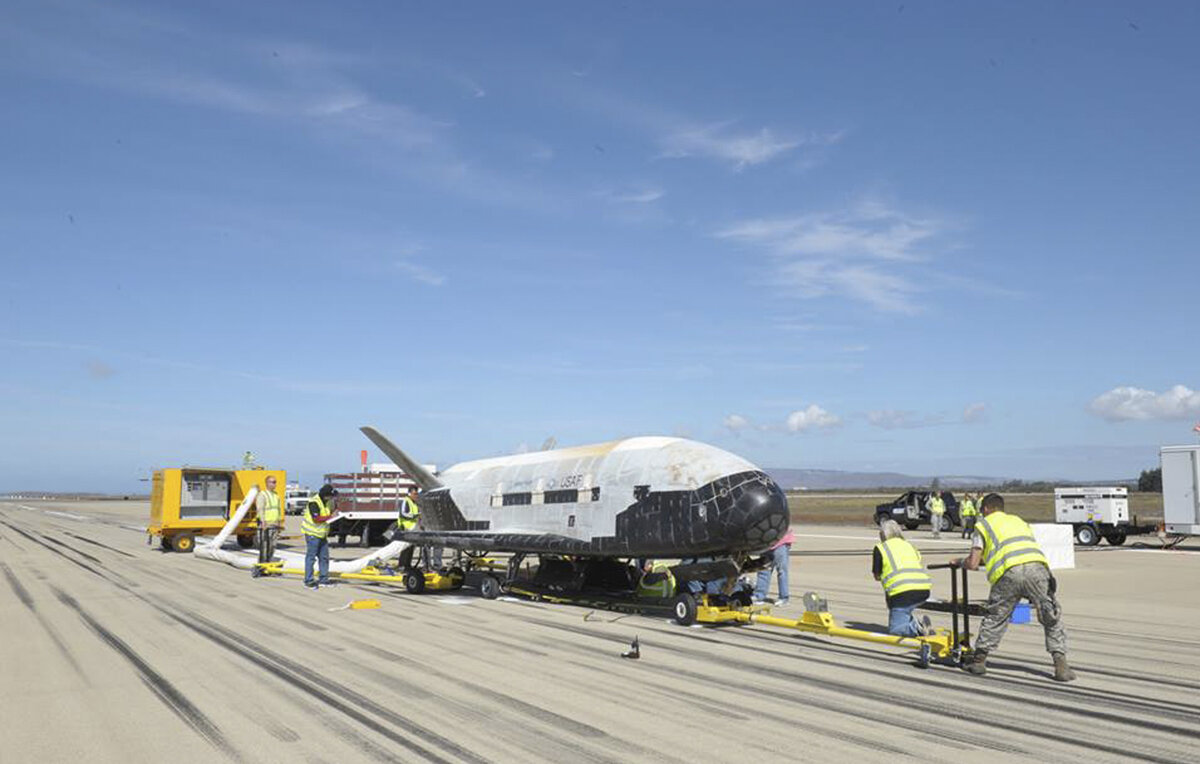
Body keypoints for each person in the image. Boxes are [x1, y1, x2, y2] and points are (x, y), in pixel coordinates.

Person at [956, 493, 1076, 682]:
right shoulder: (1019, 522)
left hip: (1009, 572)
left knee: (996, 616)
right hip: (1037, 569)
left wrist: (959, 562)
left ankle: (978, 661)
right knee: (1050, 615)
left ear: (986, 509)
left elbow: (973, 563)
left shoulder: (983, 525)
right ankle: (1061, 665)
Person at [873, 520, 933, 637]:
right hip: (923, 589)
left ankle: (918, 627)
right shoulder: (909, 545)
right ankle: (919, 626)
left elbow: (877, 575)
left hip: (902, 593)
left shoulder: (881, 548)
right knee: (904, 611)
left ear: (883, 534)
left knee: (896, 629)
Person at [302, 484, 340, 589]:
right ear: (326, 495)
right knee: (311, 558)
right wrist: (330, 516)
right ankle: (308, 580)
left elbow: (330, 511)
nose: (332, 498)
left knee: (324, 558)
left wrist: (335, 509)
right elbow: (317, 519)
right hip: (312, 534)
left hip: (322, 534)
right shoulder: (314, 502)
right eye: (331, 496)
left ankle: (323, 579)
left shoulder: (327, 502)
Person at [754, 528, 795, 605]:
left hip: (781, 543)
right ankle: (759, 595)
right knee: (763, 570)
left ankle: (783, 598)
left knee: (781, 571)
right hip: (766, 543)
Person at [254, 475, 283, 567]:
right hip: (265, 525)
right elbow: (260, 509)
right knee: (264, 546)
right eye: (272, 482)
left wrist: (279, 522)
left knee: (272, 546)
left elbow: (278, 510)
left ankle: (269, 564)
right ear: (267, 483)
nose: (274, 484)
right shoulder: (262, 495)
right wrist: (263, 521)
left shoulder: (276, 495)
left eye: (275, 482)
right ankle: (262, 566)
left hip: (274, 525)